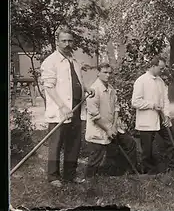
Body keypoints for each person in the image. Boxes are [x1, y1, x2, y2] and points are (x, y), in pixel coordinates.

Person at [40, 25, 94, 187]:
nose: (67, 44)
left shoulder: (74, 61)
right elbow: (49, 87)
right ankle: (53, 176)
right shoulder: (50, 62)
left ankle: (70, 174)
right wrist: (63, 107)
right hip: (60, 110)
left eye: (70, 41)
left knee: (74, 143)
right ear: (57, 42)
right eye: (63, 41)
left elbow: (78, 81)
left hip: (76, 108)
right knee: (56, 144)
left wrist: (86, 88)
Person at [84, 63, 138, 182]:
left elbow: (116, 108)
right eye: (105, 72)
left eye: (109, 72)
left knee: (130, 144)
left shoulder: (111, 89)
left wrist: (113, 127)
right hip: (98, 130)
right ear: (98, 73)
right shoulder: (93, 90)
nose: (108, 75)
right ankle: (89, 181)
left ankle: (127, 173)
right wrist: (107, 129)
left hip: (112, 128)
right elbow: (94, 116)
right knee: (95, 158)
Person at [131, 56, 174, 174]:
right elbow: (135, 102)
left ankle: (173, 168)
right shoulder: (141, 81)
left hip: (161, 118)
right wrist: (152, 105)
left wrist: (167, 115)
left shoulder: (160, 82)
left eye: (163, 68)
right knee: (147, 149)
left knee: (173, 138)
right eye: (160, 68)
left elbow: (165, 100)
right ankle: (149, 172)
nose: (162, 71)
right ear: (153, 66)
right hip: (146, 120)